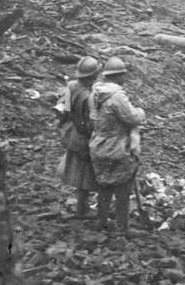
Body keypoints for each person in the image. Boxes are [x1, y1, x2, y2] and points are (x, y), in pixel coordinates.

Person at [88, 56, 146, 236]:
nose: (125, 78)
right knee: (123, 188)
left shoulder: (95, 92)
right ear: (118, 75)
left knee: (104, 185)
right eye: (124, 75)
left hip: (98, 145)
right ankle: (122, 227)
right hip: (117, 147)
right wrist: (141, 112)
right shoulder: (117, 96)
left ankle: (101, 221)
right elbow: (132, 118)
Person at [56, 55, 100, 217]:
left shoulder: (71, 85)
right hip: (82, 137)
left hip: (71, 132)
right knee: (84, 173)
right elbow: (90, 123)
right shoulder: (88, 96)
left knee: (78, 169)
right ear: (93, 75)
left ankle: (82, 205)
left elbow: (62, 108)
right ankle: (83, 208)